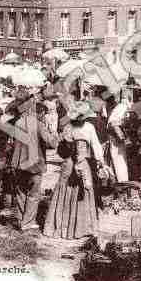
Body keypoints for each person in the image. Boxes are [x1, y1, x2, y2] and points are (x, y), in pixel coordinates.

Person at [43, 101, 103, 239]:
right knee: (82, 192)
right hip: (82, 163)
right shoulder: (88, 127)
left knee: (66, 191)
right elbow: (96, 147)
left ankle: (61, 228)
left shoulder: (67, 128)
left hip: (68, 164)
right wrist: (100, 162)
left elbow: (60, 150)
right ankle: (80, 228)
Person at [10, 90, 58, 231]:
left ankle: (20, 219)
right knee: (33, 194)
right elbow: (52, 143)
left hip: (19, 162)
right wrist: (53, 133)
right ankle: (28, 222)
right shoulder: (38, 124)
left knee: (20, 192)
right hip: (34, 163)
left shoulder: (18, 122)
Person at [105, 93, 130, 183]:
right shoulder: (121, 108)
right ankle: (121, 182)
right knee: (119, 160)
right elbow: (114, 123)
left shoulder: (120, 107)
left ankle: (121, 181)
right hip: (115, 138)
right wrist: (122, 137)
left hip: (115, 137)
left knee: (119, 160)